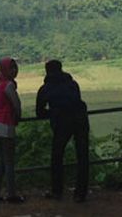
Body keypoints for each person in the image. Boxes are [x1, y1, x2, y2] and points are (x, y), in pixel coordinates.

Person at [36, 59, 90, 202]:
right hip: (81, 119)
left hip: (62, 123)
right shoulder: (72, 84)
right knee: (83, 156)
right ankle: (80, 194)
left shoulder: (45, 88)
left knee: (57, 156)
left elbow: (39, 112)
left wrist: (54, 112)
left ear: (47, 71)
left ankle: (57, 191)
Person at [0, 57, 25, 203]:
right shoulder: (8, 85)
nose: (14, 71)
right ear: (5, 69)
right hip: (6, 126)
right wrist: (16, 117)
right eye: (11, 68)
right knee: (9, 163)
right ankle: (11, 194)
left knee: (2, 162)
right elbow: (17, 105)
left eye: (15, 68)